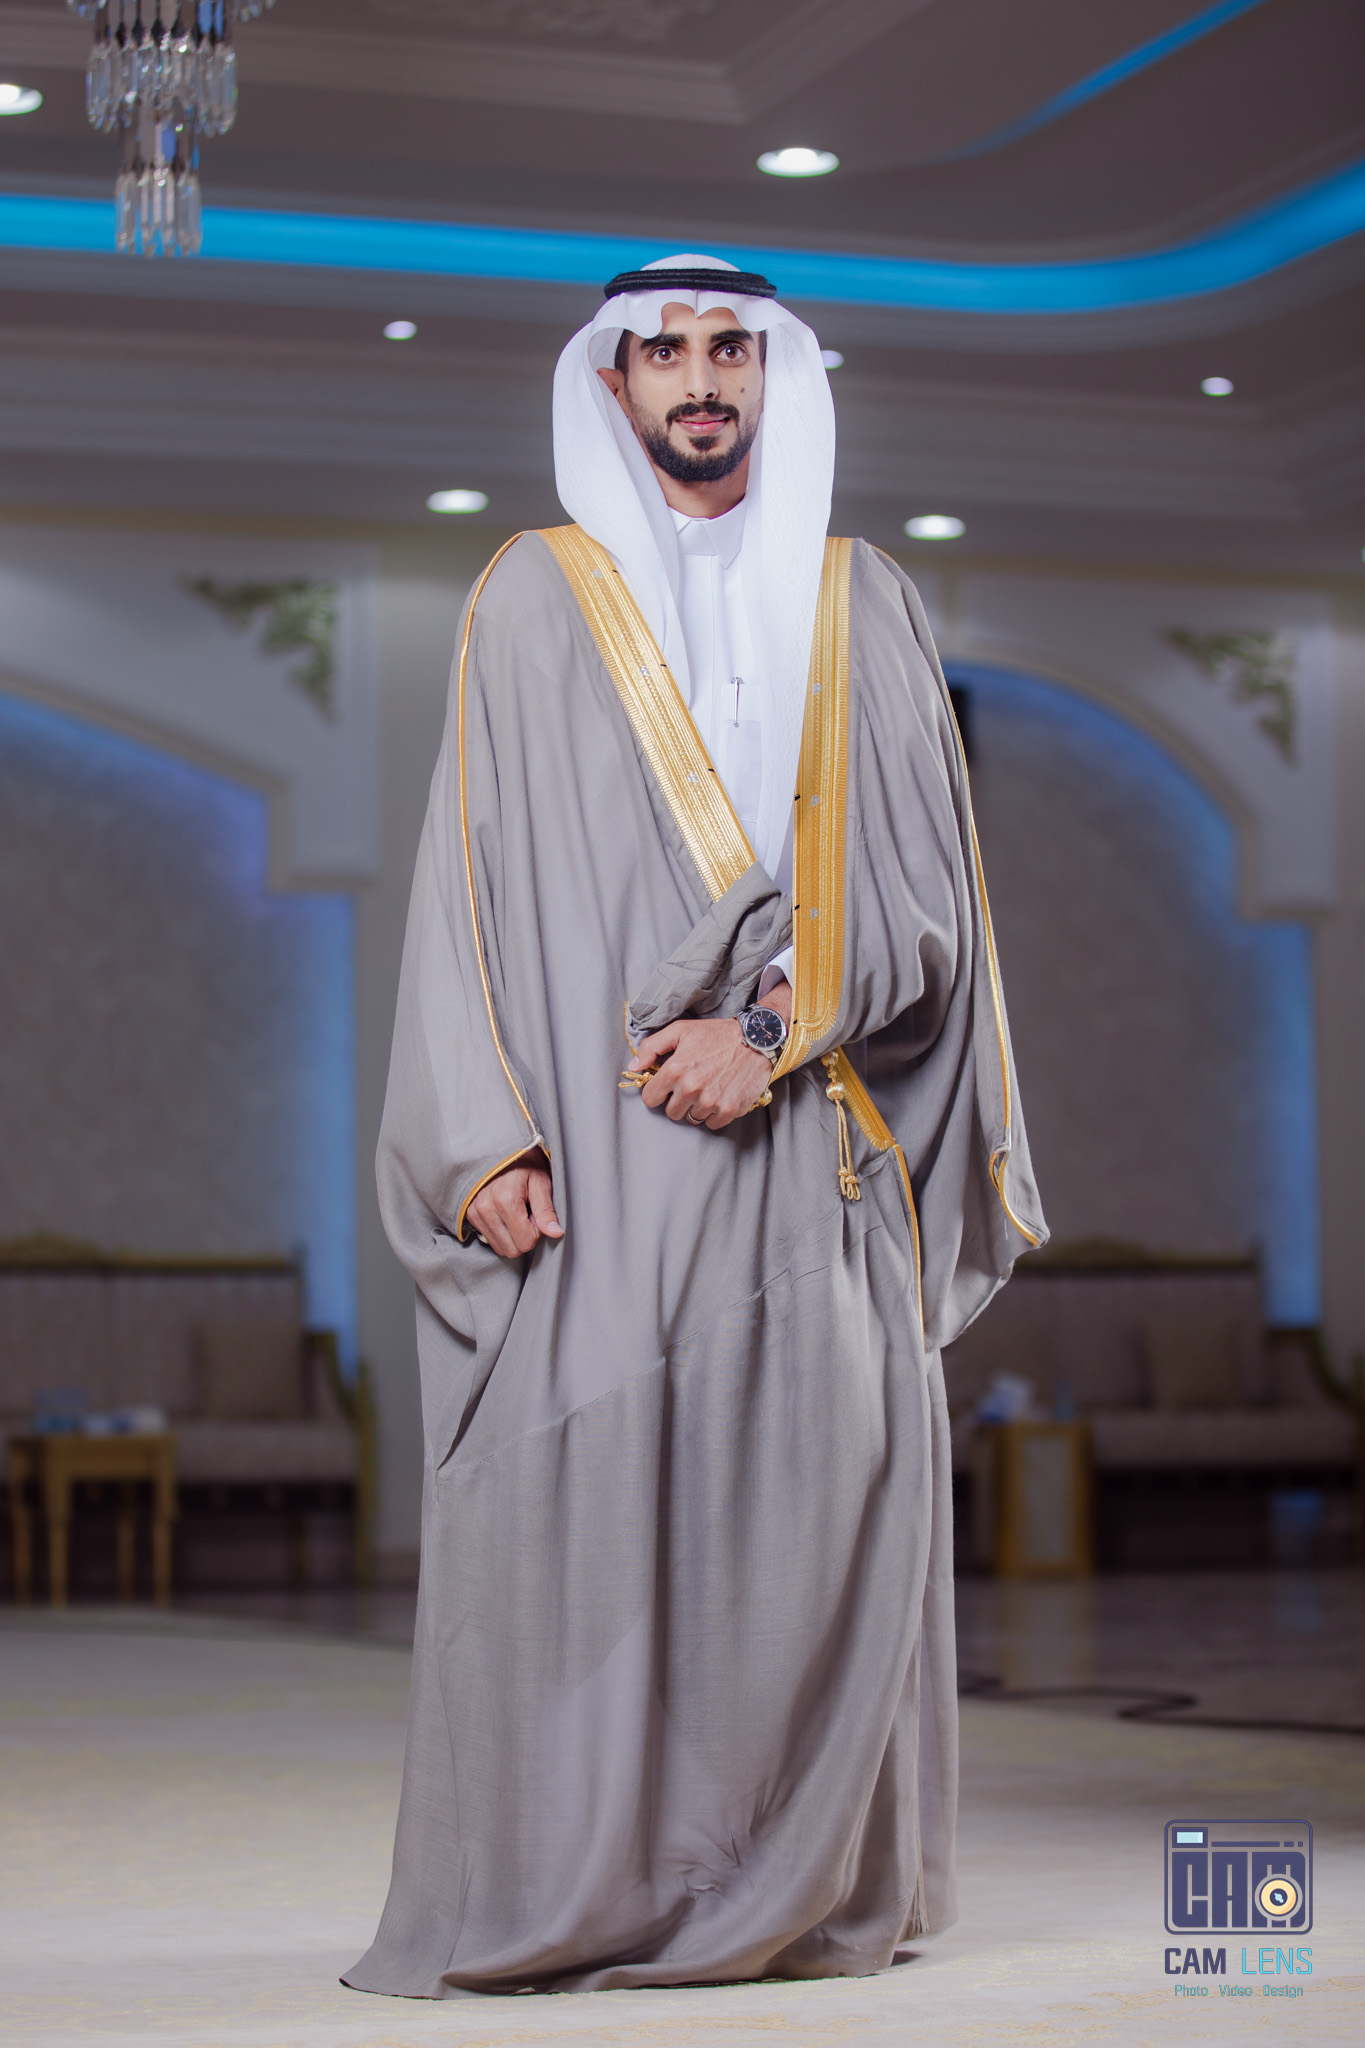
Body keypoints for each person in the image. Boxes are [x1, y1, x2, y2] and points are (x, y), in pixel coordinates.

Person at [345, 253, 1045, 1999]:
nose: (700, 377)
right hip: (599, 1168)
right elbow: (465, 886)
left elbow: (923, 896)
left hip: (808, 1148)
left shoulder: (862, 599)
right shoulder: (527, 596)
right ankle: (592, 1883)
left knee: (817, 1514)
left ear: (773, 375)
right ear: (613, 383)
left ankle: (794, 1886)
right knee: (574, 1529)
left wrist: (765, 1030)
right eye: (663, 351)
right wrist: (478, 1138)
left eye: (731, 347)